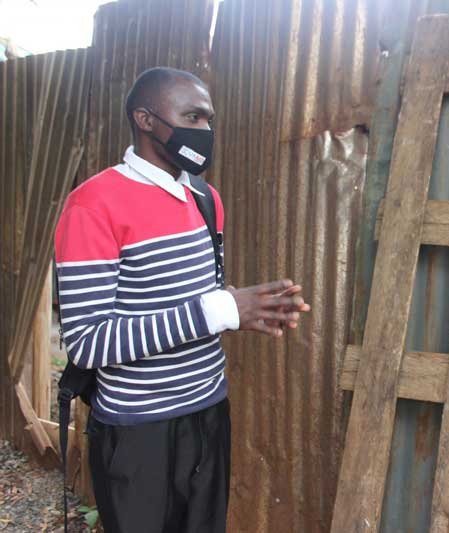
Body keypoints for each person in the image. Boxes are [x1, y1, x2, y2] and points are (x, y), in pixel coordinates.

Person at [54, 67, 310, 532]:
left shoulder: (206, 198)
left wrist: (238, 310)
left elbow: (195, 302)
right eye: (192, 117)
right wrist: (218, 311)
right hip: (138, 431)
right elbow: (87, 343)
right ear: (145, 119)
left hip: (209, 414)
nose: (205, 130)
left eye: (209, 119)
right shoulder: (92, 205)